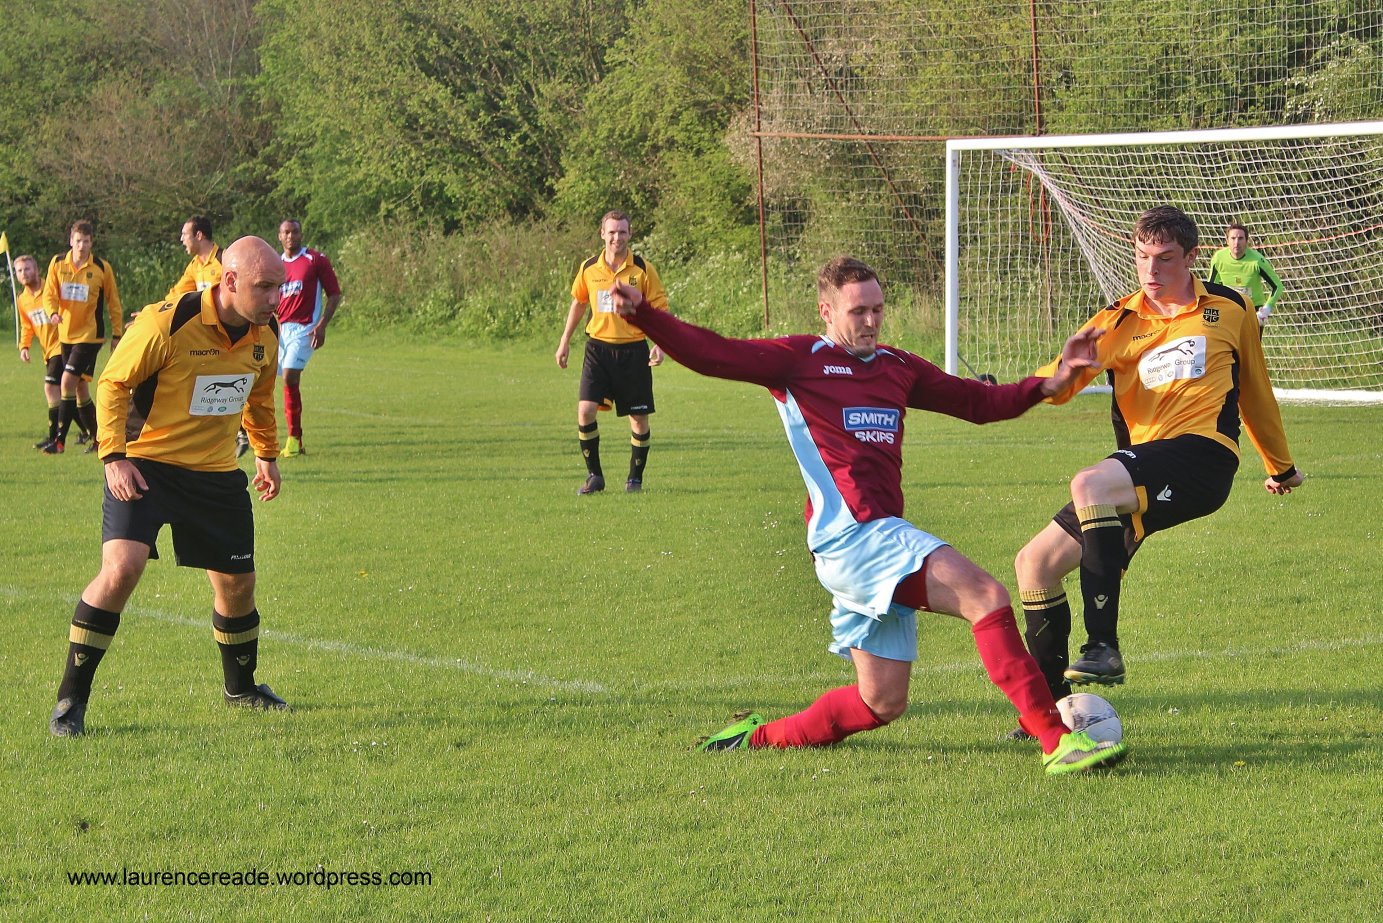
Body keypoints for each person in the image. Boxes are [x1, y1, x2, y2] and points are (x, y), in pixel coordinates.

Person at [608, 257, 1127, 775]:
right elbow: (714, 354)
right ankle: (1056, 740)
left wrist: (1049, 382)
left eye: (878, 309)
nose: (872, 321)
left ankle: (753, 738)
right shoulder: (800, 359)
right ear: (826, 311)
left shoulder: (897, 366)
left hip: (870, 544)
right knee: (984, 596)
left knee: (881, 702)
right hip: (853, 535)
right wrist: (647, 317)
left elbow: (977, 402)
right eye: (859, 311)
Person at [1013, 206, 1303, 711]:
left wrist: (1279, 466)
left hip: (1206, 456)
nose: (1151, 270)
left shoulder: (1230, 308)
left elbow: (1256, 391)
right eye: (1142, 256)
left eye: (1165, 258)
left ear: (1192, 257)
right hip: (1141, 468)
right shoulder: (1117, 321)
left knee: (1089, 483)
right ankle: (1048, 715)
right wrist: (1044, 379)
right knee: (1034, 564)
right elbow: (1059, 384)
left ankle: (1102, 646)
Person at [48, 236, 290, 738]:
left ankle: (241, 689)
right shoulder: (168, 322)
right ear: (229, 281)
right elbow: (112, 383)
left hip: (216, 472)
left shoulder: (267, 334)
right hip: (146, 464)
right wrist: (113, 457)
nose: (275, 298)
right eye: (265, 287)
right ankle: (70, 702)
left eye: (279, 287)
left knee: (237, 586)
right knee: (121, 569)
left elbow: (259, 397)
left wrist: (266, 454)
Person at [555, 210, 668, 495]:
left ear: (630, 234)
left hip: (633, 352)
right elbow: (579, 303)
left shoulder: (642, 269)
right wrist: (565, 340)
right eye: (612, 232)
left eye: (622, 232)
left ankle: (634, 480)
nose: (617, 237)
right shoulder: (589, 268)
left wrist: (660, 343)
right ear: (602, 234)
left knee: (638, 419)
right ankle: (594, 476)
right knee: (585, 411)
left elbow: (660, 308)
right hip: (598, 349)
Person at [40, 219, 121, 454]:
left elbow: (113, 302)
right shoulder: (58, 263)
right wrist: (53, 313)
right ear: (71, 241)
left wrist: (117, 334)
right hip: (66, 335)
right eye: (78, 241)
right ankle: (99, 439)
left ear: (91, 242)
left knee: (66, 381)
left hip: (90, 336)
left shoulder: (101, 268)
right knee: (80, 389)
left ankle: (59, 442)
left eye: (86, 241)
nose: (82, 246)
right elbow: (49, 294)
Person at [275, 218, 341, 457]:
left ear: (301, 235)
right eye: (286, 232)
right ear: (279, 236)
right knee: (260, 380)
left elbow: (334, 294)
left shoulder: (315, 259)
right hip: (280, 330)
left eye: (295, 232)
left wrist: (322, 325)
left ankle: (294, 439)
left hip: (305, 329)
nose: (290, 236)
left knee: (290, 375)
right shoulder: (275, 265)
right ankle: (256, 435)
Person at [15, 254, 65, 448]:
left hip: (62, 345)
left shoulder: (51, 289)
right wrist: (24, 346)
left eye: (27, 269)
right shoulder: (22, 300)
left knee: (51, 388)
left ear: (36, 270)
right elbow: (27, 326)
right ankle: (89, 432)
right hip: (48, 351)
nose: (24, 273)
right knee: (70, 392)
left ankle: (54, 438)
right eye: (20, 270)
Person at [1207, 223, 1284, 328]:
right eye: (1233, 238)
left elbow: (1277, 286)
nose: (1236, 242)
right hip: (1228, 310)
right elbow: (1211, 287)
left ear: (1247, 241)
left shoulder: (1257, 261)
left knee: (1251, 339)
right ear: (1227, 240)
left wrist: (1266, 309)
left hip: (1253, 311)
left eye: (1240, 238)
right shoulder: (1218, 258)